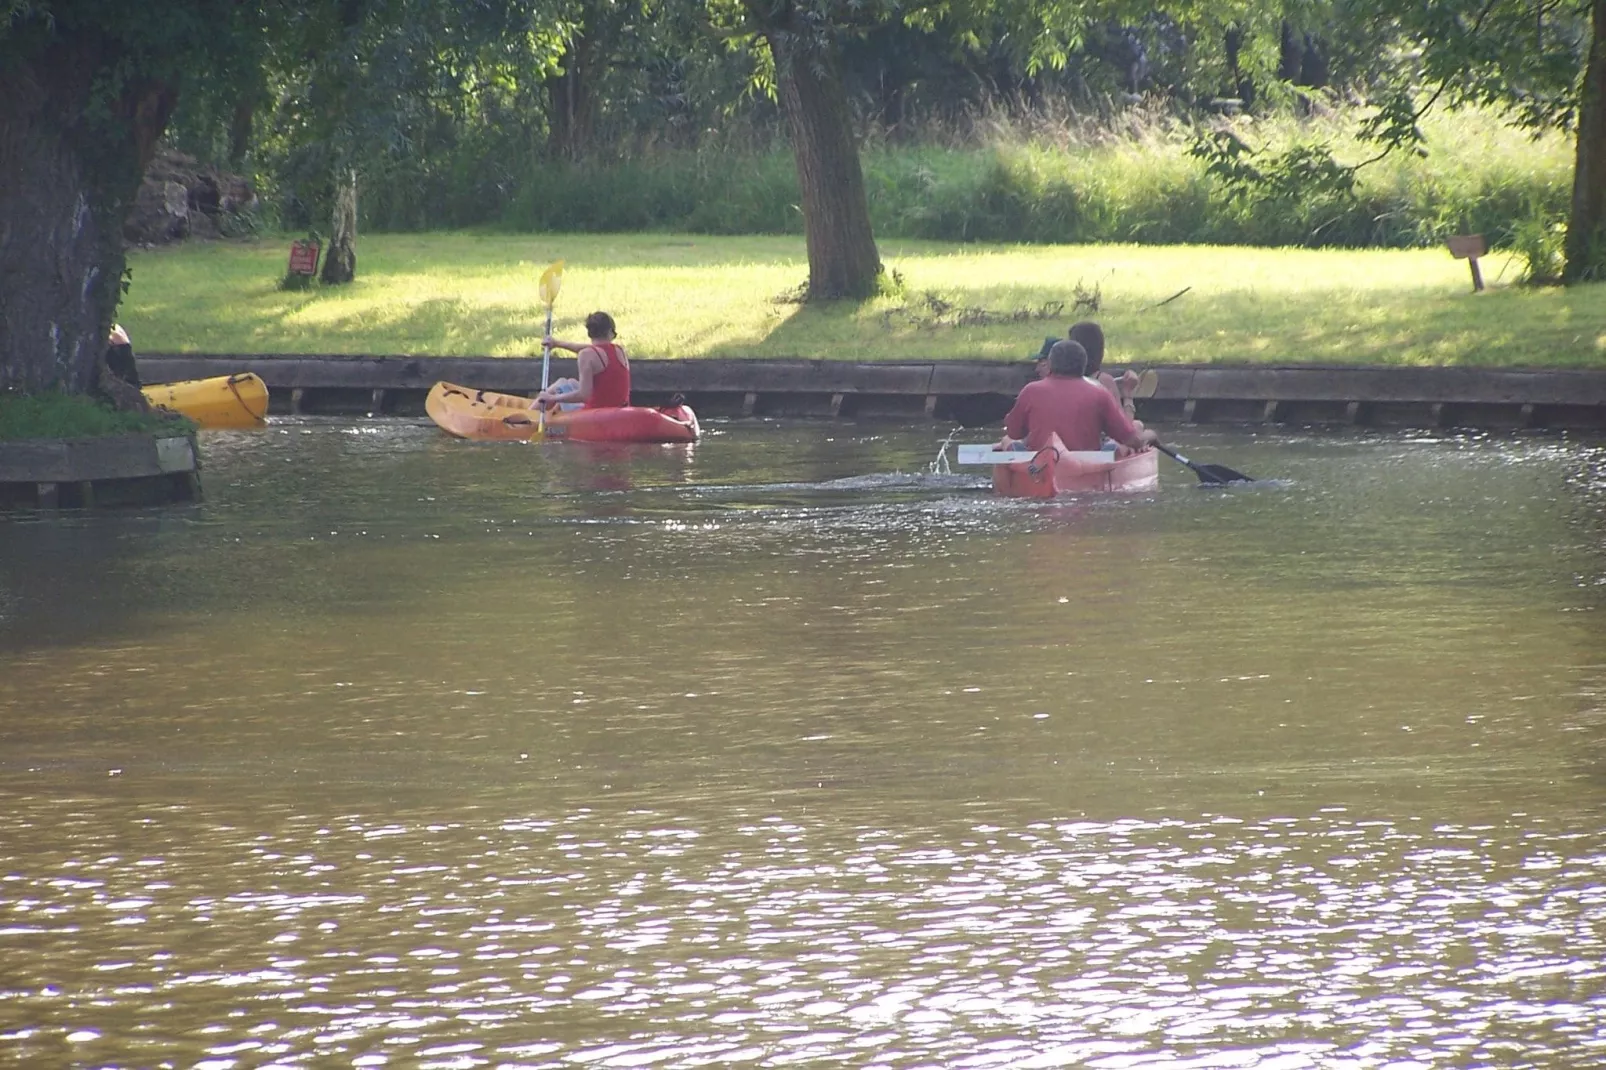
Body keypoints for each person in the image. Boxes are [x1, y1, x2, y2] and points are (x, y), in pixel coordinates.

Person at [997, 339, 1157, 456]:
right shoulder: (1099, 393)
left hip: (1038, 466)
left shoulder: (1030, 391)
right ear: (1083, 365)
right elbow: (1129, 438)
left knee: (1007, 441)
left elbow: (1014, 432)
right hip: (1087, 466)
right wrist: (1146, 439)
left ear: (1051, 364)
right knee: (1119, 443)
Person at [534, 311, 630, 410]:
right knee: (571, 382)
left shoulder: (586, 355)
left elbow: (584, 395)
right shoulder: (620, 350)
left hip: (595, 415)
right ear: (610, 332)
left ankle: (525, 419)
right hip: (618, 411)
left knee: (560, 384)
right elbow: (592, 348)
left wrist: (552, 398)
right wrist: (558, 344)